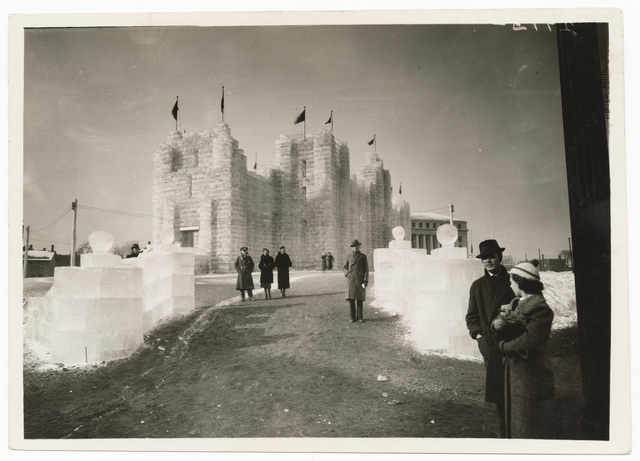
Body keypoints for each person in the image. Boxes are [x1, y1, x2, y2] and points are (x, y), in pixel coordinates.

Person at [491, 260, 555, 439]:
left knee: (528, 424)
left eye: (512, 280)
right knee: (516, 419)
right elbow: (495, 326)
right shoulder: (516, 304)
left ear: (520, 282)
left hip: (531, 372)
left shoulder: (541, 309)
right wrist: (499, 325)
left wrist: (503, 347)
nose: (510, 284)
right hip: (516, 371)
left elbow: (528, 342)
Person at [465, 239, 516, 438]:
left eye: (491, 257)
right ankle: (505, 438)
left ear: (499, 258)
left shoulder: (513, 281)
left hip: (513, 345)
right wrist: (479, 336)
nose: (488, 261)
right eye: (484, 258)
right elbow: (472, 317)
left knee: (516, 393)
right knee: (500, 398)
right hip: (491, 348)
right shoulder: (477, 286)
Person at [343, 239, 369, 323]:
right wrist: (347, 274)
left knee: (360, 299)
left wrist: (366, 280)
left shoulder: (363, 256)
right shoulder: (348, 256)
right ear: (352, 248)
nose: (355, 248)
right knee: (351, 299)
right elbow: (344, 267)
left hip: (360, 280)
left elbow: (366, 270)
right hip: (351, 280)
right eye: (354, 246)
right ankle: (352, 317)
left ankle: (360, 317)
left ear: (359, 247)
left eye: (357, 246)